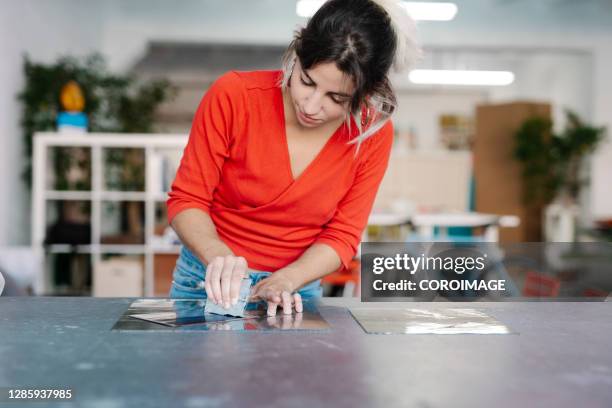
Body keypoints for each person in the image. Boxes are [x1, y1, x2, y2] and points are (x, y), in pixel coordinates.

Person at [167, 0, 421, 316]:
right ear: (297, 52)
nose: (311, 106)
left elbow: (343, 235)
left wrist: (287, 279)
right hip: (206, 280)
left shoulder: (373, 134)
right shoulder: (233, 95)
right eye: (306, 81)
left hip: (295, 290)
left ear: (367, 94)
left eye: (337, 98)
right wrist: (218, 256)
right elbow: (187, 199)